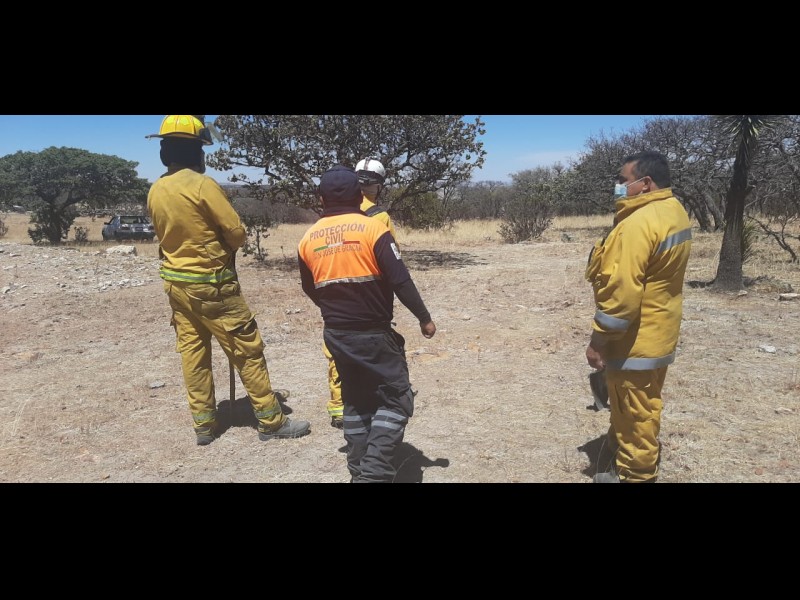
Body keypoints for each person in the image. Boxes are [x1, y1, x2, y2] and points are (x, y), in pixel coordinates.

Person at [146, 115, 310, 446]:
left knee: (193, 354)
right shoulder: (203, 185)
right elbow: (236, 233)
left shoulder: (156, 189)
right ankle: (271, 421)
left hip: (177, 287)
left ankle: (204, 425)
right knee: (246, 350)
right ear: (196, 153)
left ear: (165, 153)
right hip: (214, 287)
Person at [298, 165, 436, 482]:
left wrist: (335, 310)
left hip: (336, 334)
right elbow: (400, 280)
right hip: (374, 333)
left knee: (356, 400)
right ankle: (374, 472)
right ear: (358, 195)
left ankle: (358, 469)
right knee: (397, 398)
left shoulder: (307, 239)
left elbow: (309, 287)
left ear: (321, 199)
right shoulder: (373, 229)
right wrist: (424, 318)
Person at [585, 150, 692, 483]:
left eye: (623, 180)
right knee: (642, 404)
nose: (618, 186)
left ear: (645, 183)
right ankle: (622, 455)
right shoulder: (673, 211)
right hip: (659, 332)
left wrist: (598, 341)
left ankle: (636, 475)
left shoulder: (637, 224)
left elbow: (621, 296)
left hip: (634, 342)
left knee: (636, 414)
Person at [324, 158, 397, 429]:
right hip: (368, 293)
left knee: (336, 351)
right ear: (379, 185)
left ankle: (338, 407)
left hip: (333, 287)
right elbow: (391, 259)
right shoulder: (379, 216)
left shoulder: (333, 212)